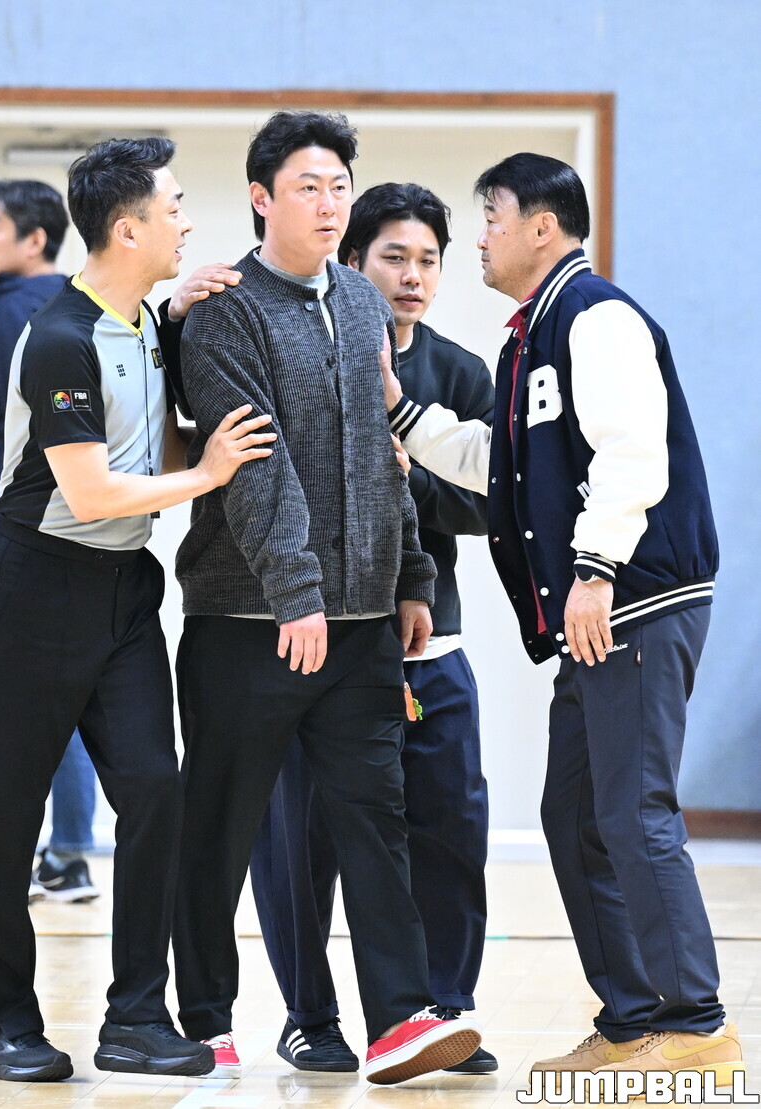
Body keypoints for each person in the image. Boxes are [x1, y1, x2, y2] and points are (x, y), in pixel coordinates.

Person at [382, 152, 743, 1089]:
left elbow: (632, 451)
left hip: (632, 599)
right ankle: (631, 1017)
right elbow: (499, 461)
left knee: (631, 808)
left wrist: (593, 570)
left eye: (491, 219)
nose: (480, 239)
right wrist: (401, 411)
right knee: (575, 813)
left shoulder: (596, 316)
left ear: (542, 227)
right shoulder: (528, 340)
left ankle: (694, 1021)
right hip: (599, 615)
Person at [172, 110, 482, 1086]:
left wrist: (411, 579)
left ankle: (397, 1020)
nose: (327, 201)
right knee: (221, 825)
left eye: (338, 185)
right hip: (248, 621)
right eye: (307, 185)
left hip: (360, 627)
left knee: (375, 821)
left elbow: (381, 457)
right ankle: (204, 1017)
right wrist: (296, 590)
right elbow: (254, 465)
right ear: (261, 198)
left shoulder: (357, 301)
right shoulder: (224, 312)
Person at [0, 137, 276, 1083]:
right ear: (127, 228)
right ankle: (5, 1028)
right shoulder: (58, 337)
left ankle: (136, 1016)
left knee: (154, 791)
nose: (187, 222)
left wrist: (179, 322)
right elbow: (92, 492)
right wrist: (209, 473)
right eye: (174, 208)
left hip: (125, 590)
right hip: (36, 587)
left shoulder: (143, 318)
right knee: (6, 819)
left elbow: (141, 451)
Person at [249, 182, 497, 1076]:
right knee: (299, 838)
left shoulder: (460, 373)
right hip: (319, 638)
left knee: (449, 829)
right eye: (394, 256)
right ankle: (308, 1015)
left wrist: (409, 472)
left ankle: (441, 1009)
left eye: (428, 260)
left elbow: (493, 503)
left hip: (432, 643)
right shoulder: (299, 353)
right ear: (351, 262)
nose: (412, 276)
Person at [0, 180, 100, 908]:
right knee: (51, 693)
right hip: (32, 536)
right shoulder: (52, 302)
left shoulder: (22, 308)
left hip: (14, 540)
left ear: (35, 239)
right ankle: (64, 854)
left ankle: (48, 858)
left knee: (26, 700)